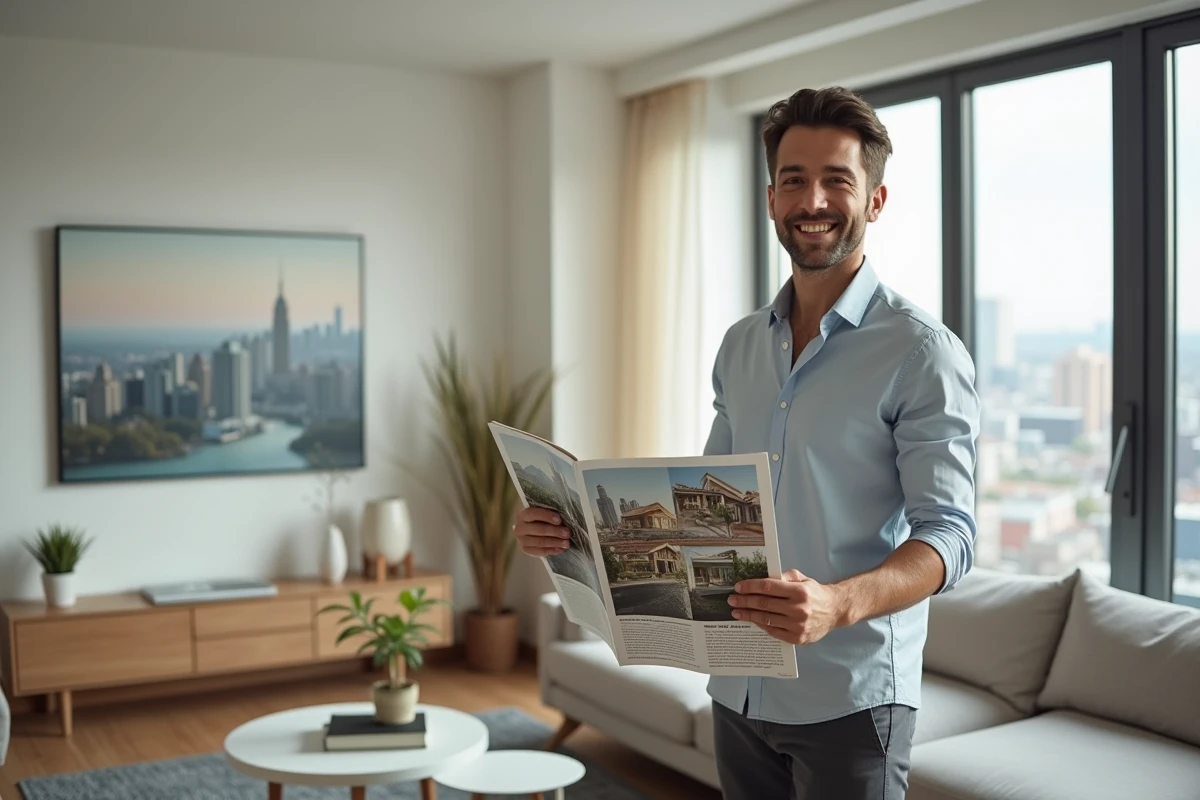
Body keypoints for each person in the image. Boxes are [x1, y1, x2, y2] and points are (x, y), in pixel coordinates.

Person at [513, 85, 980, 800]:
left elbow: (950, 534)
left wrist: (837, 603)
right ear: (770, 199)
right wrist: (569, 531)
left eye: (837, 180)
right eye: (794, 180)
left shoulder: (922, 353)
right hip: (737, 685)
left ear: (875, 201)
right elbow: (705, 514)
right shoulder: (740, 346)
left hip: (849, 698)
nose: (812, 200)